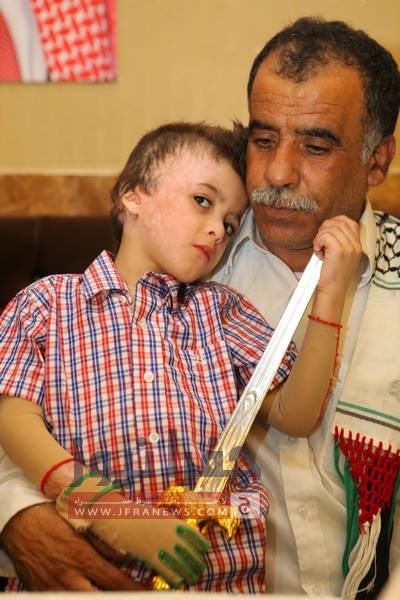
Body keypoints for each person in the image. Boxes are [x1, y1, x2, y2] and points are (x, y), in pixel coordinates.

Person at [0, 15, 399, 596]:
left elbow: (293, 410)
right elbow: (26, 414)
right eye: (263, 140)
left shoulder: (218, 301)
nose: (277, 173)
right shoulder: (173, 270)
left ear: (377, 160)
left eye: (315, 146)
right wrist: (20, 510)